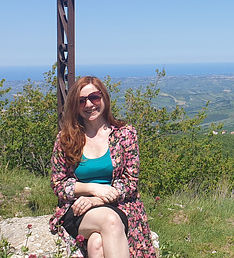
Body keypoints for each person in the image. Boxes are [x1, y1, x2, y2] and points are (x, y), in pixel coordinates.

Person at [49, 76, 157, 257]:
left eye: (94, 97)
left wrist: (97, 200)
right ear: (75, 106)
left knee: (97, 244)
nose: (89, 104)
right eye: (81, 101)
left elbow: (130, 181)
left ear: (104, 98)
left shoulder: (125, 134)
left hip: (119, 205)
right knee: (110, 221)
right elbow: (58, 183)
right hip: (78, 209)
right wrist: (93, 189)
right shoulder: (65, 138)